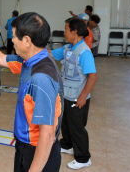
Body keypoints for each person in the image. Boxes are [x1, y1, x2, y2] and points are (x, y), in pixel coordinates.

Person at [0, 7, 63, 172]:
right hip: (24, 146)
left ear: (26, 40)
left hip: (38, 153)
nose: (12, 40)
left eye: (14, 36)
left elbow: (47, 136)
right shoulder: (30, 60)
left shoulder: (40, 78)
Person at [50, 17, 97, 170]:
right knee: (65, 123)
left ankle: (83, 158)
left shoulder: (84, 52)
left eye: (66, 29)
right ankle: (68, 145)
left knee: (77, 128)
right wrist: (34, 49)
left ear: (74, 31)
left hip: (78, 98)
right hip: (66, 95)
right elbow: (50, 54)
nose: (64, 33)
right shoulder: (68, 49)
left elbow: (92, 76)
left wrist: (83, 96)